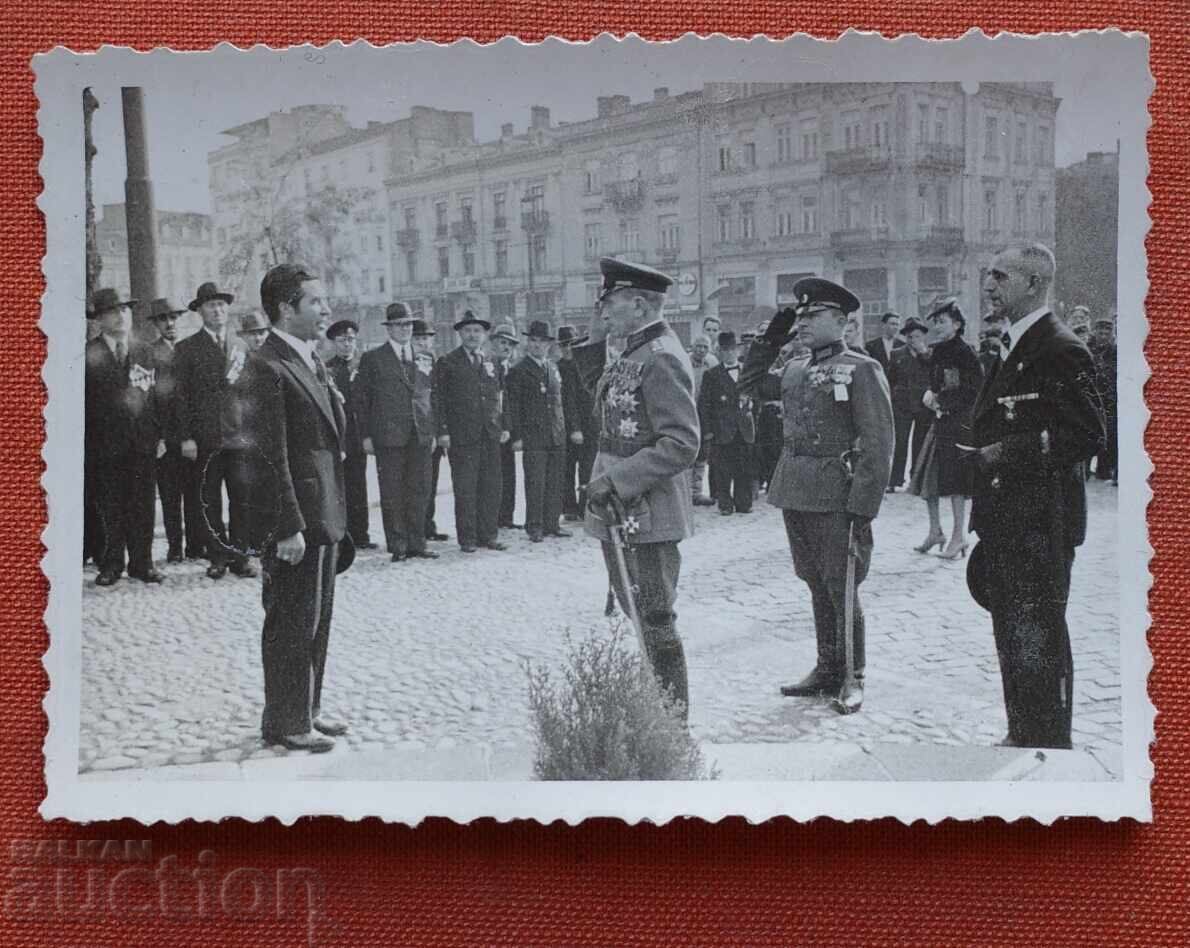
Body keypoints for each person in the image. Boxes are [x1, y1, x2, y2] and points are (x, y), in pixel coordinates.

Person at [967, 243, 1104, 749]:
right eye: (988, 275)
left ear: (1033, 283)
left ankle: (1047, 744)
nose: (989, 285)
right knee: (1013, 634)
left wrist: (1006, 452)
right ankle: (1023, 733)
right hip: (1007, 519)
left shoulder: (1061, 348)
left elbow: (1088, 433)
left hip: (1041, 522)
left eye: (1000, 276)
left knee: (1038, 637)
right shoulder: (1013, 344)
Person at [738, 278, 893, 714]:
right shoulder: (794, 368)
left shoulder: (861, 369)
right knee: (814, 581)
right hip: (795, 486)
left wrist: (863, 506)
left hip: (836, 491)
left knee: (841, 584)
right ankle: (827, 667)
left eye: (813, 315)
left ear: (841, 321)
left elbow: (878, 443)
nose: (803, 323)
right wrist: (774, 335)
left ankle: (852, 675)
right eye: (800, 316)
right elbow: (750, 383)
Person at [573, 257, 700, 718]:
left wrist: (616, 481)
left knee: (655, 618)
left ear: (641, 305)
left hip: (647, 510)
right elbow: (601, 395)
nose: (602, 310)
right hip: (622, 508)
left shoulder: (661, 356)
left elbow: (681, 442)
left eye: (610, 302)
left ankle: (671, 724)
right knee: (637, 611)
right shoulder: (634, 351)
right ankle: (657, 707)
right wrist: (595, 335)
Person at [244, 263, 350, 754]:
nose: (326, 310)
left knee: (316, 618)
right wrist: (288, 526)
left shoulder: (308, 359)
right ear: (286, 309)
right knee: (290, 620)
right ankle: (286, 721)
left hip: (322, 513)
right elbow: (268, 457)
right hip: (296, 521)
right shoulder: (266, 366)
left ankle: (308, 709)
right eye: (315, 302)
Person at [173, 281, 256, 580]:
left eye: (221, 305)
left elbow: (250, 394)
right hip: (205, 437)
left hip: (238, 437)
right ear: (201, 311)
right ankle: (217, 556)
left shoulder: (241, 346)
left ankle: (241, 556)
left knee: (242, 498)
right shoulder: (186, 349)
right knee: (209, 499)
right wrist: (186, 437)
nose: (217, 310)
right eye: (211, 305)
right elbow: (180, 397)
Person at [84, 288, 166, 587]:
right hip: (105, 446)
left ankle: (142, 564)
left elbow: (157, 398)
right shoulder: (88, 353)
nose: (120, 316)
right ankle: (111, 564)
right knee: (110, 505)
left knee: (143, 505)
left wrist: (160, 436)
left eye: (125, 309)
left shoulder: (145, 351)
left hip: (142, 443)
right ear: (99, 319)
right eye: (112, 311)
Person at [355, 303, 437, 562]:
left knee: (420, 489)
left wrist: (432, 430)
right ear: (389, 328)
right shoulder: (373, 359)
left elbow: (431, 397)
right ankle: (398, 545)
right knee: (392, 491)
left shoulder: (425, 357)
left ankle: (418, 543)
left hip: (420, 433)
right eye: (400, 325)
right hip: (388, 435)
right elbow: (362, 400)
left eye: (409, 324)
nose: (406, 329)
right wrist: (366, 435)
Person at [907, 299, 984, 560]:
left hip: (959, 423)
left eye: (942, 322)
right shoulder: (939, 350)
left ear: (957, 324)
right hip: (940, 421)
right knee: (928, 476)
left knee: (956, 481)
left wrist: (943, 401)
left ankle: (958, 536)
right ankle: (935, 531)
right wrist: (931, 393)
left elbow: (974, 390)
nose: (937, 326)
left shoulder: (966, 352)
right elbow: (935, 380)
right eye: (936, 322)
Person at [434, 310, 509, 553]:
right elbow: (439, 399)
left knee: (491, 487)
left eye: (477, 331)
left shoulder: (491, 362)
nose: (473, 335)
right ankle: (467, 538)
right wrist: (443, 431)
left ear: (484, 335)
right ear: (460, 333)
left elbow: (500, 397)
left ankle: (489, 535)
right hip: (462, 436)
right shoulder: (448, 362)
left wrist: (504, 426)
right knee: (466, 488)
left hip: (489, 434)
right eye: (468, 330)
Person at [506, 320, 573, 542]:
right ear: (528, 343)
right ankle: (534, 526)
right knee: (536, 483)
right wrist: (517, 436)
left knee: (555, 482)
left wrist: (563, 429)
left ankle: (552, 523)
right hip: (533, 435)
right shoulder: (518, 370)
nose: (537, 345)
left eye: (542, 342)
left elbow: (559, 402)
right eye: (533, 341)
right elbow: (513, 406)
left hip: (556, 433)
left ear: (549, 344)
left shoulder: (552, 368)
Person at [325, 319, 376, 551]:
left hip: (359, 435)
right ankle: (342, 536)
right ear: (334, 343)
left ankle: (361, 534)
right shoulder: (328, 369)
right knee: (340, 487)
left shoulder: (364, 365)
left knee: (359, 486)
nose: (347, 344)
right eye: (342, 341)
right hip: (339, 438)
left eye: (350, 340)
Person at [147, 297, 189, 563]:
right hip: (167, 436)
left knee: (196, 492)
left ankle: (198, 543)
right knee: (170, 494)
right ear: (156, 324)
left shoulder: (189, 349)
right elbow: (149, 399)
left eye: (173, 318)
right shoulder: (150, 354)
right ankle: (175, 546)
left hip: (191, 435)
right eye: (163, 319)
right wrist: (158, 436)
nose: (169, 323)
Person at [697, 330, 757, 515]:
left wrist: (753, 410)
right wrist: (708, 431)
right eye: (725, 350)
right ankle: (725, 504)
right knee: (722, 470)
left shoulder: (747, 372)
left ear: (737, 350)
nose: (730, 353)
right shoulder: (712, 375)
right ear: (720, 352)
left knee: (745, 468)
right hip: (722, 430)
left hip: (744, 428)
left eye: (732, 349)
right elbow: (704, 405)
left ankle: (744, 502)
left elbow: (757, 396)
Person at [412, 319, 450, 542]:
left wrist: (439, 431)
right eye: (418, 338)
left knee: (431, 483)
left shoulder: (436, 363)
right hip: (414, 432)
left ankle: (428, 525)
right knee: (415, 484)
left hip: (432, 432)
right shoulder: (406, 362)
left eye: (425, 338)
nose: (422, 342)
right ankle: (415, 529)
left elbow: (439, 398)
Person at [886, 317, 933, 492]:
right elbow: (890, 379)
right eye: (910, 337)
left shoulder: (930, 354)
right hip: (902, 404)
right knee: (900, 442)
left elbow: (934, 375)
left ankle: (916, 479)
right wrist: (893, 397)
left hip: (923, 404)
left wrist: (924, 354)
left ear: (923, 336)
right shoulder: (897, 354)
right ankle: (895, 480)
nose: (913, 340)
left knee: (920, 442)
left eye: (917, 336)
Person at [557, 325, 598, 521]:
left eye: (572, 344)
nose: (568, 348)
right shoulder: (557, 367)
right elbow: (569, 400)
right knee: (566, 468)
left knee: (587, 468)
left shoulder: (585, 366)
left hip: (589, 425)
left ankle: (585, 507)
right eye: (564, 345)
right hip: (566, 426)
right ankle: (569, 508)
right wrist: (574, 428)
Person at [490, 323, 521, 529]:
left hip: (510, 430)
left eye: (510, 344)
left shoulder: (513, 369)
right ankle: (494, 517)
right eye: (502, 342)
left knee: (509, 474)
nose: (506, 347)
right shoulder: (488, 367)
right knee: (494, 475)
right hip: (494, 429)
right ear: (493, 343)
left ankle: (507, 517)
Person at [687, 334, 717, 506]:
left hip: (705, 414)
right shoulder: (683, 362)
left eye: (705, 347)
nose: (701, 350)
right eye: (698, 346)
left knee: (702, 454)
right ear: (692, 346)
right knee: (687, 451)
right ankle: (684, 493)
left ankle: (696, 492)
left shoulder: (712, 364)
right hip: (687, 413)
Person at [1089, 315, 1117, 483]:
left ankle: (1104, 469)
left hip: (1109, 400)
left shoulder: (1115, 352)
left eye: (1107, 333)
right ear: (1095, 332)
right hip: (1091, 398)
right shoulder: (1087, 349)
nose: (1104, 336)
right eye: (1101, 332)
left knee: (1109, 434)